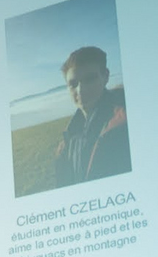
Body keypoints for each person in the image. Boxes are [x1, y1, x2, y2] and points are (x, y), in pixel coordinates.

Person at [53, 46, 130, 187]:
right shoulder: (70, 136)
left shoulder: (125, 127)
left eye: (89, 79)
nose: (81, 90)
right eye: (73, 84)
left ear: (105, 76)